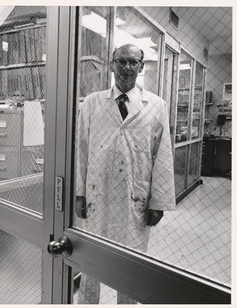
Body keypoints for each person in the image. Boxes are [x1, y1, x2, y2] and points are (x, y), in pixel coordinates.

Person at [74, 44, 176, 304]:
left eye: (133, 62)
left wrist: (159, 203)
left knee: (131, 264)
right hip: (99, 194)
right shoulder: (92, 103)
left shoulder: (156, 105)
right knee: (91, 260)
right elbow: (81, 151)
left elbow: (162, 155)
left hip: (135, 198)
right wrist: (80, 193)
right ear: (111, 64)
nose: (127, 68)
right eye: (121, 61)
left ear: (141, 67)